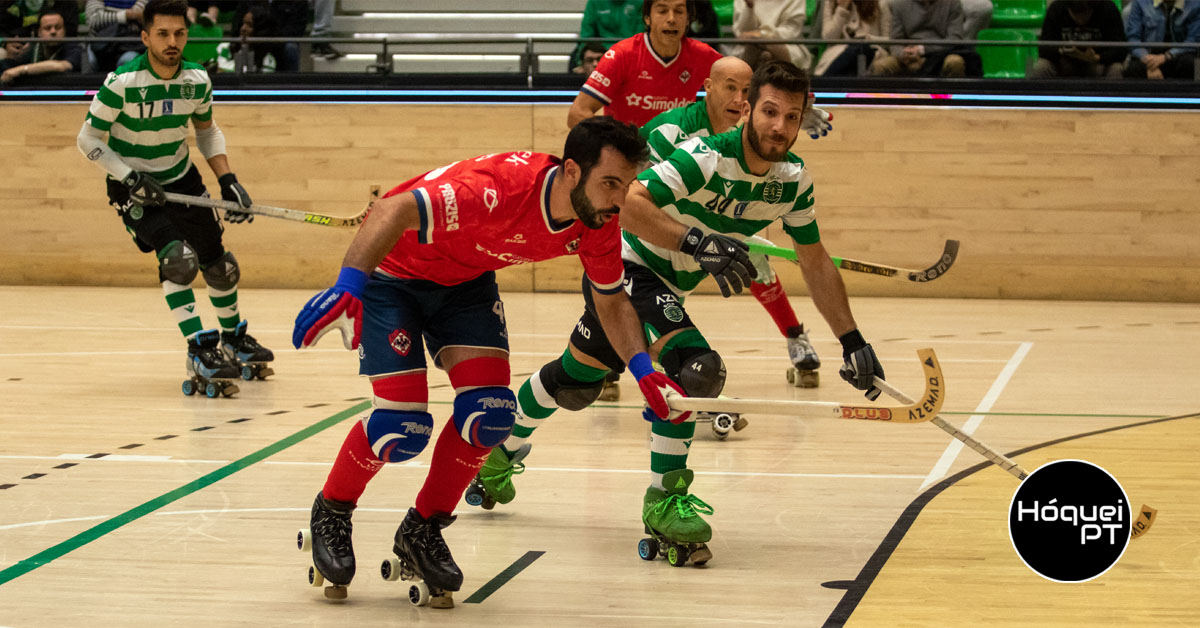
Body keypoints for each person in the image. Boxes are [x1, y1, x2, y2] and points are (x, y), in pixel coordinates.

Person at [479, 61, 887, 567]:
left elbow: (815, 260)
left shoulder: (793, 181)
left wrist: (852, 340)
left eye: (791, 116)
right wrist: (696, 240)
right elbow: (627, 202)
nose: (778, 127)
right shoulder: (706, 157)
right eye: (769, 111)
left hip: (667, 285)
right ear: (748, 109)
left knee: (576, 380)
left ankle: (497, 454)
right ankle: (664, 502)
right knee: (696, 369)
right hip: (625, 267)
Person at [290, 117, 693, 606]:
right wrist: (348, 285)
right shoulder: (499, 189)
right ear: (571, 171)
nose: (618, 200)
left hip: (465, 286)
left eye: (626, 186)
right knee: (400, 428)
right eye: (610, 183)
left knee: (492, 415)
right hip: (394, 279)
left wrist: (642, 368)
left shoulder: (598, 225)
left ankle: (423, 528)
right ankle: (332, 509)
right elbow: (392, 209)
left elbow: (611, 301)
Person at [76, 0, 271, 397]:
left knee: (221, 267)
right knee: (178, 260)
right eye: (162, 34)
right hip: (132, 184)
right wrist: (130, 177)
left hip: (181, 177)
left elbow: (206, 131)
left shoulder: (197, 79)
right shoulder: (122, 83)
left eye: (179, 33)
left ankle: (233, 338)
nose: (172, 42)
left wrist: (228, 178)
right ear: (145, 36)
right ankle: (200, 346)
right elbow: (87, 140)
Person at [571, 0, 725, 129]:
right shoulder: (622, 54)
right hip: (628, 155)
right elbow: (577, 113)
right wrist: (611, 143)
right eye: (662, 11)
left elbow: (740, 80)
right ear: (647, 18)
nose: (671, 19)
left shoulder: (702, 55)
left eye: (679, 11)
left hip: (676, 156)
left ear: (688, 19)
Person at [872, 0, 982, 77]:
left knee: (954, 62)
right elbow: (896, 40)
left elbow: (954, 39)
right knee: (881, 66)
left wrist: (922, 50)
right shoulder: (900, 4)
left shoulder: (952, 3)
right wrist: (902, 54)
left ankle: (954, 105)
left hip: (941, 55)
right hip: (908, 56)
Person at [1032, 0, 1125, 79]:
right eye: (1075, 15)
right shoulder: (1056, 8)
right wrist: (1062, 51)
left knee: (1116, 68)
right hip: (1063, 61)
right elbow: (1044, 48)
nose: (1080, 20)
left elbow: (1120, 49)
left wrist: (1097, 58)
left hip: (1098, 63)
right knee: (1041, 67)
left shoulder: (1108, 8)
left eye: (1085, 15)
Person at [0, 7, 82, 84]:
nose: (53, 32)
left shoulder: (73, 48)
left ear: (64, 31)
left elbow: (62, 66)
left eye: (58, 27)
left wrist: (22, 69)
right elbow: (9, 69)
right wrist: (10, 58)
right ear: (39, 32)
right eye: (47, 28)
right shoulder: (31, 48)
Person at [1123, 0, 1199, 80]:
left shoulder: (1195, 4)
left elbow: (1193, 41)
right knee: (1133, 69)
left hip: (1178, 56)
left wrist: (1166, 57)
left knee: (1189, 63)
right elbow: (1133, 38)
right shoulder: (1140, 2)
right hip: (1148, 55)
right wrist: (1148, 60)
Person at [814, 0, 892, 76]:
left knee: (861, 48)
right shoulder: (830, 3)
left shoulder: (881, 3)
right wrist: (842, 9)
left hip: (871, 51)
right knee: (851, 58)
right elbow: (828, 38)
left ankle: (821, 83)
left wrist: (869, 39)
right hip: (839, 54)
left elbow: (889, 41)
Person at [729, 0, 812, 70]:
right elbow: (742, 33)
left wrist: (761, 36)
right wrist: (749, 7)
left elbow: (790, 31)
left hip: (786, 44)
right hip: (748, 45)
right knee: (761, 53)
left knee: (766, 52)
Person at [570, 0, 643, 72]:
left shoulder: (640, 2)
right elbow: (586, 34)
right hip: (602, 50)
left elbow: (639, 37)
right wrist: (581, 62)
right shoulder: (595, 2)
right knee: (576, 57)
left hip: (629, 51)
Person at [85, 0, 148, 72]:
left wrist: (107, 15)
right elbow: (94, 20)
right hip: (98, 45)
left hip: (130, 46)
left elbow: (140, 17)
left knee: (129, 60)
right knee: (89, 61)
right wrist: (126, 15)